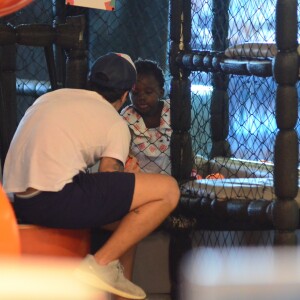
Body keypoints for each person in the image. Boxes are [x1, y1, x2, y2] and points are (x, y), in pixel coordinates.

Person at [2, 52, 180, 300]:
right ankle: (100, 263)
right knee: (169, 190)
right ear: (125, 94)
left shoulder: (52, 97)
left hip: (18, 202)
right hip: (55, 198)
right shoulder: (114, 122)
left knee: (128, 225)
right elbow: (109, 175)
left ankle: (118, 289)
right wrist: (128, 177)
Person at [121, 58, 172, 175]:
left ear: (161, 92)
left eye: (148, 92)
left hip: (171, 177)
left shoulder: (171, 111)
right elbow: (124, 153)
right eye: (135, 93)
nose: (141, 97)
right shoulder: (128, 117)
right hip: (140, 180)